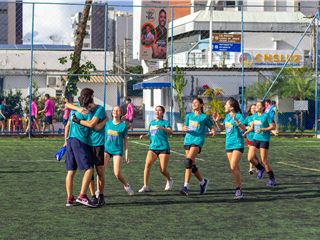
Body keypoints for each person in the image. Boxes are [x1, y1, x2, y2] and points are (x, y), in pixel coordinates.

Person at [67, 88, 109, 206]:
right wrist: (77, 108)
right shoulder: (82, 107)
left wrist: (77, 120)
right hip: (85, 143)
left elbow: (94, 126)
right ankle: (93, 196)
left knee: (99, 171)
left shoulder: (99, 109)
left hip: (97, 144)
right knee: (89, 169)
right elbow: (67, 104)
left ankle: (101, 195)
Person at [63, 94, 97, 207]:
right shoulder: (87, 113)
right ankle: (82, 195)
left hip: (70, 141)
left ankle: (69, 199)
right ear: (89, 102)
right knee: (89, 168)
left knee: (71, 171)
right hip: (80, 141)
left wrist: (65, 141)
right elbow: (92, 125)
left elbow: (67, 126)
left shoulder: (74, 111)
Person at [180, 97, 216, 196]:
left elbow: (211, 126)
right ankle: (203, 182)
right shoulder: (189, 115)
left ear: (201, 105)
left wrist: (212, 131)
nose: (194, 104)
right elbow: (185, 127)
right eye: (193, 102)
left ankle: (185, 187)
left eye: (196, 103)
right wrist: (184, 129)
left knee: (188, 162)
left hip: (197, 141)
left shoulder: (204, 117)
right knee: (192, 165)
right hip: (188, 140)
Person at [212, 98, 247, 200]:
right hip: (229, 145)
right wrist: (217, 121)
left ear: (232, 107)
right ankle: (240, 188)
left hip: (238, 144)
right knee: (235, 168)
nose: (225, 106)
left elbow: (243, 128)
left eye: (226, 104)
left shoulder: (239, 116)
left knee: (233, 167)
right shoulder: (227, 116)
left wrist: (236, 120)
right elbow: (222, 129)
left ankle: (238, 190)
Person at [95, 105, 134, 196]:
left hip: (117, 151)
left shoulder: (123, 126)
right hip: (106, 150)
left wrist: (126, 154)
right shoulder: (107, 123)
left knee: (117, 173)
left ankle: (126, 185)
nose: (115, 112)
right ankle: (98, 190)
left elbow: (126, 141)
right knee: (100, 171)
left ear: (121, 113)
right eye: (114, 110)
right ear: (112, 113)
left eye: (118, 110)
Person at [138, 105, 173, 192]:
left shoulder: (165, 122)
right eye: (156, 110)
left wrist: (162, 128)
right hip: (153, 148)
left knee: (163, 170)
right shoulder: (151, 123)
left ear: (163, 113)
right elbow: (150, 134)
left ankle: (169, 180)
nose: (157, 112)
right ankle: (145, 186)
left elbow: (171, 132)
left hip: (163, 148)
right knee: (147, 165)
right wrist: (144, 136)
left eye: (159, 110)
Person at [246, 101, 276, 187]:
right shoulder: (254, 116)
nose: (256, 106)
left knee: (264, 160)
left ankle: (272, 179)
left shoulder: (266, 116)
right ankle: (261, 169)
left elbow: (272, 126)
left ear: (263, 107)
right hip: (255, 139)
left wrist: (262, 129)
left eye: (258, 105)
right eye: (256, 105)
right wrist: (245, 133)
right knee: (250, 158)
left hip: (264, 140)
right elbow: (252, 127)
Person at [243, 104, 261, 174]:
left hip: (256, 137)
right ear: (250, 110)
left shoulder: (259, 117)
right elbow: (244, 126)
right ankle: (259, 165)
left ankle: (251, 168)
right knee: (253, 154)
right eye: (252, 108)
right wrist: (247, 128)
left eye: (254, 108)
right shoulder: (248, 118)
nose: (253, 109)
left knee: (252, 154)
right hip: (249, 138)